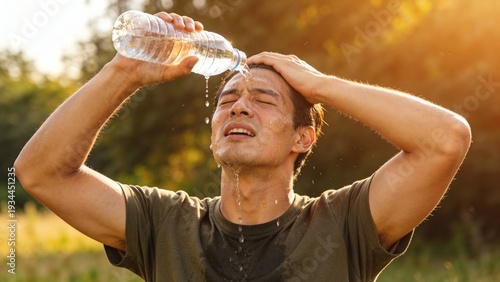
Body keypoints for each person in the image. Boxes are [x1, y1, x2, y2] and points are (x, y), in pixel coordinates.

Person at [15, 12, 471, 282]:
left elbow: (445, 139)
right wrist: (123, 74)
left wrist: (318, 84)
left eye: (263, 99)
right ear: (213, 130)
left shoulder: (344, 223)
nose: (239, 107)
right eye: (228, 99)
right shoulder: (165, 223)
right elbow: (40, 173)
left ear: (302, 137)